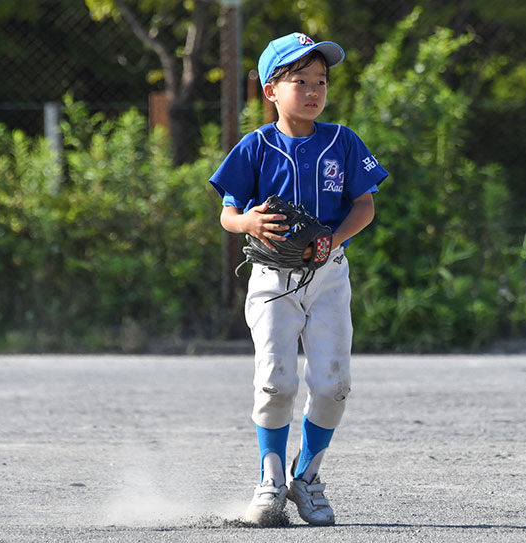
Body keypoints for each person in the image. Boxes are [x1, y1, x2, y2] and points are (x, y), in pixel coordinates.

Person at [208, 32, 388, 527]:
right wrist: (248, 222)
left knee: (333, 385)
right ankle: (269, 481)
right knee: (275, 381)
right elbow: (227, 214)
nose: (313, 90)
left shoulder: (342, 141)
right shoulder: (255, 147)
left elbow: (365, 206)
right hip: (272, 277)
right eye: (299, 80)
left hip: (329, 276)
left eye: (321, 81)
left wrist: (334, 237)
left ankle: (305, 477)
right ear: (270, 90)